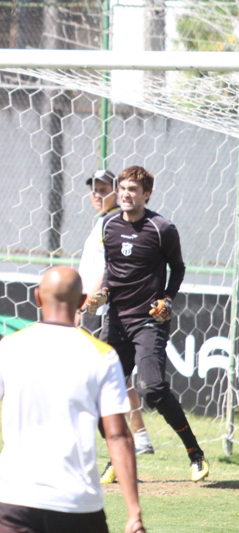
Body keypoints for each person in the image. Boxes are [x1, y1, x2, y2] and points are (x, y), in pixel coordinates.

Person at [0, 267, 145, 533]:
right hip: (78, 508)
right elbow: (117, 436)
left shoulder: (9, 347)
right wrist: (134, 513)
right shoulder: (103, 355)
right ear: (82, 302)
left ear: (37, 297)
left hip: (16, 503)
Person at [86, 165, 209, 483]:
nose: (126, 194)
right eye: (123, 188)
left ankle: (195, 454)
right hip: (116, 321)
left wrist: (167, 298)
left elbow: (178, 269)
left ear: (146, 195)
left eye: (133, 190)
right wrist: (101, 295)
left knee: (152, 389)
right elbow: (113, 272)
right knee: (99, 392)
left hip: (148, 321)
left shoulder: (161, 228)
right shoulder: (109, 226)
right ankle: (118, 457)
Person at [78, 169, 155, 460]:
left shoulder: (113, 222)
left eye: (103, 188)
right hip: (93, 305)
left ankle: (132, 437)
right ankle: (138, 437)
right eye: (93, 189)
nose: (97, 194)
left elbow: (108, 267)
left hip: (103, 308)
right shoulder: (103, 222)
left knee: (113, 376)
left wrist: (85, 304)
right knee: (116, 377)